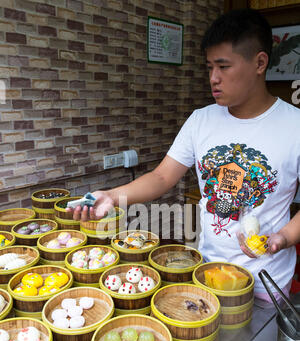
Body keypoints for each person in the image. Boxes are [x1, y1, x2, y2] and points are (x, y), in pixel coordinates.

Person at [69, 8, 300, 303]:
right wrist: (113, 196)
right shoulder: (201, 120)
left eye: (224, 66)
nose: (213, 78)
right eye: (209, 67)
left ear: (260, 62)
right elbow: (162, 176)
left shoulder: (294, 126)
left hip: (267, 286)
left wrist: (283, 238)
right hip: (207, 271)